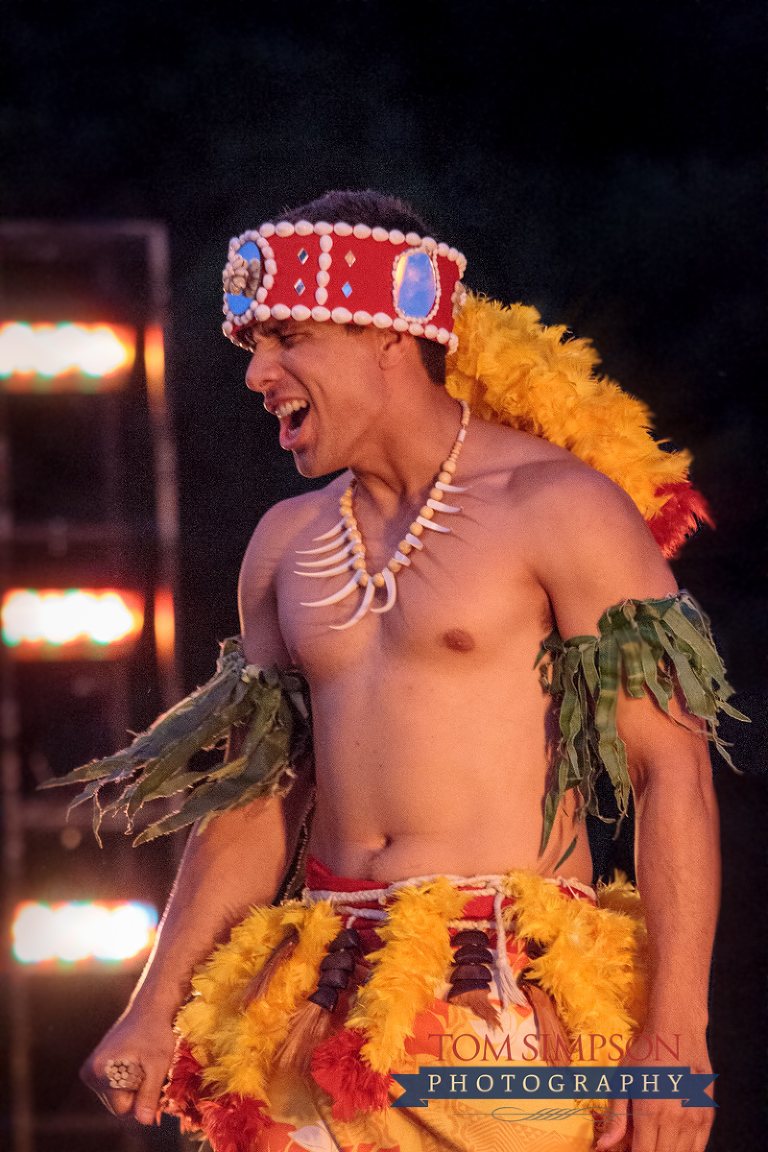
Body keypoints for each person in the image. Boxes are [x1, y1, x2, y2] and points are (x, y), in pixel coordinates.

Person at [59, 190, 738, 1152]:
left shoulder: (558, 507)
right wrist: (152, 1005)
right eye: (251, 345)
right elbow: (257, 802)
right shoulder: (284, 544)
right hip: (318, 1005)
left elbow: (674, 772)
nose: (257, 374)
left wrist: (675, 1034)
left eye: (286, 338)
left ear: (388, 334)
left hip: (505, 1010)